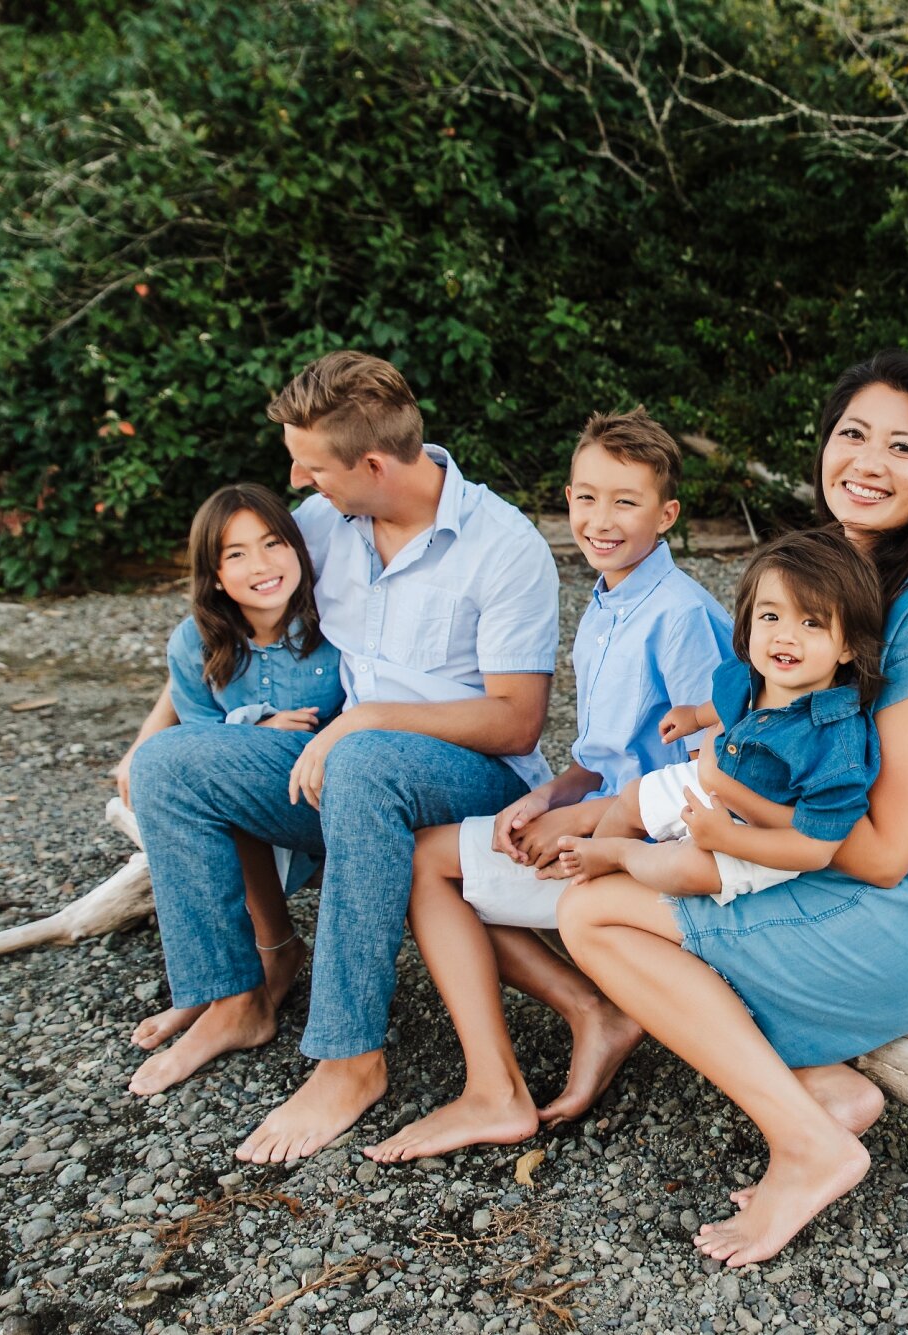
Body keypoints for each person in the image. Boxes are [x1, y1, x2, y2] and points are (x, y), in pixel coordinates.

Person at [556, 350, 908, 1267]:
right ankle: (820, 1087)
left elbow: (886, 851)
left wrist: (722, 824)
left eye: (902, 445)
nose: (868, 461)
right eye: (852, 434)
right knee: (611, 888)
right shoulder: (836, 583)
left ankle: (808, 1145)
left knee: (595, 914)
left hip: (901, 915)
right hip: (833, 874)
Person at [124, 351, 561, 1164]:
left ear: (370, 464)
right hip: (351, 769)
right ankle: (237, 996)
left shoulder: (505, 547)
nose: (297, 477)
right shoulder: (324, 525)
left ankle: (351, 1058)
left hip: (473, 780)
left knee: (363, 763)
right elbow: (226, 614)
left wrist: (366, 720)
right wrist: (157, 727)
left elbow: (517, 723)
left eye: (310, 464)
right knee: (168, 767)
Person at [366, 408, 732, 1163]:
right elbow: (601, 757)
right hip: (600, 820)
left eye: (626, 502)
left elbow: (715, 774)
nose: (601, 520)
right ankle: (587, 1013)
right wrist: (545, 799)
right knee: (431, 856)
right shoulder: (602, 603)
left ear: (667, 515)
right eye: (587, 498)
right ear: (566, 497)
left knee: (429, 862)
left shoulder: (682, 616)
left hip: (656, 854)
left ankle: (521, 1066)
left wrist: (593, 824)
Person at [119, 483, 345, 1061]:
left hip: (336, 797)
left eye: (273, 544)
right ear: (215, 575)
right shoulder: (195, 644)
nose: (262, 565)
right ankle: (241, 977)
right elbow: (201, 746)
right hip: (261, 799)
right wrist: (254, 731)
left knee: (204, 775)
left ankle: (241, 980)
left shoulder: (339, 630)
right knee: (206, 785)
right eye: (236, 554)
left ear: (298, 550)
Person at [556, 528, 884, 902]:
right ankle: (595, 872)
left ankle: (624, 855)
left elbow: (816, 848)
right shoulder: (748, 674)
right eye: (771, 616)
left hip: (764, 838)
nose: (785, 636)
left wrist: (730, 838)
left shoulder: (836, 740)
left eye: (811, 623)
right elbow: (726, 703)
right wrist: (694, 716)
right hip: (715, 782)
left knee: (687, 867)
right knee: (632, 798)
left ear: (848, 647)